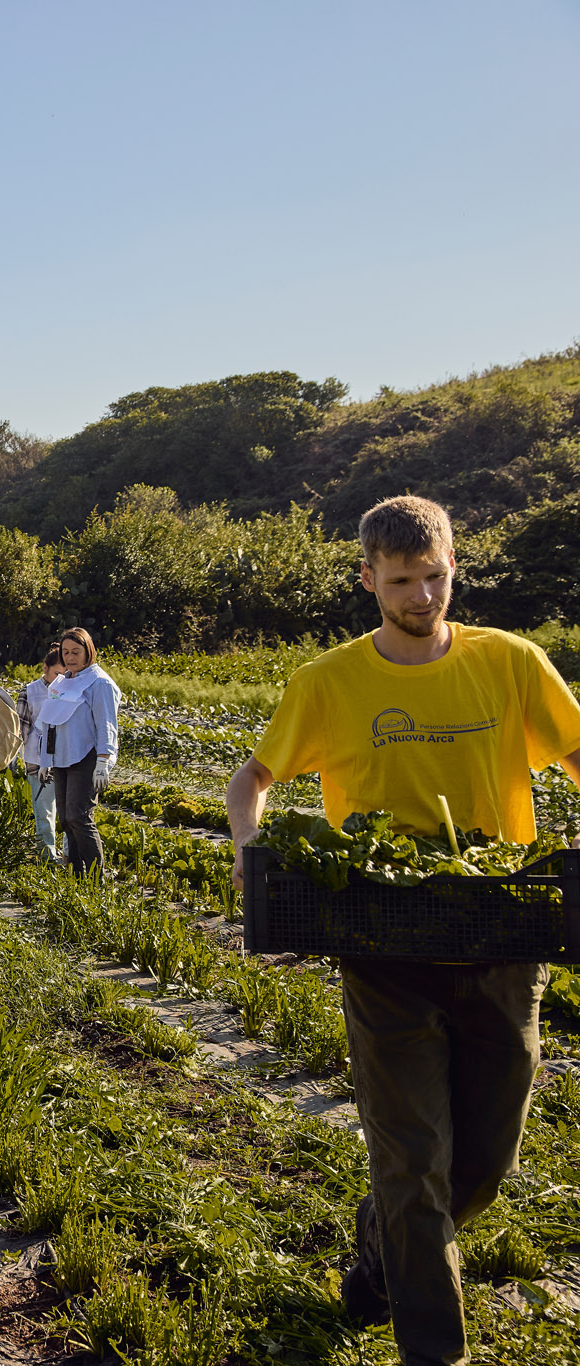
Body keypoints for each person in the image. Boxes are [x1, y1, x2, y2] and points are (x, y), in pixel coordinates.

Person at [226, 496, 580, 1366]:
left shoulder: (512, 662)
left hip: (501, 932)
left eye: (434, 577)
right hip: (382, 940)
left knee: (485, 1163)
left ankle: (384, 1242)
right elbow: (252, 778)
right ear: (367, 580)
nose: (422, 596)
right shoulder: (329, 681)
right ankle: (435, 1350)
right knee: (413, 1158)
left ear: (454, 564)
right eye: (400, 583)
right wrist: (247, 845)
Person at [41, 628, 119, 875]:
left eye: (76, 651)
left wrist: (103, 762)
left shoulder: (99, 683)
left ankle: (97, 878)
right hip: (62, 757)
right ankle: (76, 874)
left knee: (79, 816)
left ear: (88, 652)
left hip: (86, 756)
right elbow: (51, 723)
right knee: (65, 819)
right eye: (66, 652)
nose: (70, 657)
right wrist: (46, 759)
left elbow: (107, 724)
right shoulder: (62, 682)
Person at [18, 647, 66, 864]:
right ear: (45, 668)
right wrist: (14, 755)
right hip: (36, 758)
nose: (61, 679)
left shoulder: (70, 689)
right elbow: (21, 728)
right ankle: (47, 856)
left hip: (65, 757)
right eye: (57, 673)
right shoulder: (30, 691)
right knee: (44, 809)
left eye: (64, 674)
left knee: (68, 811)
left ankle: (69, 855)